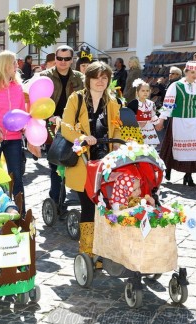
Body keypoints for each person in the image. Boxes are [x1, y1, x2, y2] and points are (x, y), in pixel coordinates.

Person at [61, 61, 122, 258]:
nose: (100, 81)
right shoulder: (76, 99)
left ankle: (104, 247)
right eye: (96, 77)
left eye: (104, 78)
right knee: (88, 205)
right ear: (88, 79)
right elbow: (65, 127)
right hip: (83, 161)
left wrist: (119, 145)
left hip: (106, 162)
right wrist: (82, 138)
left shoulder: (112, 102)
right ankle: (87, 250)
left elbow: (117, 126)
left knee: (105, 204)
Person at [40, 45, 84, 211]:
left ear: (72, 60)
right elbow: (37, 101)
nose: (63, 62)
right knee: (55, 164)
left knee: (75, 162)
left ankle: (79, 198)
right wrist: (47, 117)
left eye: (67, 59)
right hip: (52, 126)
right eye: (60, 58)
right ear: (55, 58)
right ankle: (57, 200)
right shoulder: (45, 77)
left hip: (74, 127)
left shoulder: (80, 78)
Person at [158, 61, 196, 186]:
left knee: (192, 150)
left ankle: (188, 176)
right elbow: (168, 104)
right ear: (186, 72)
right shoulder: (176, 85)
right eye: (192, 72)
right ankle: (168, 168)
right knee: (172, 146)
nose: (195, 75)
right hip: (177, 121)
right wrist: (162, 119)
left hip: (193, 122)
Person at [0, 50, 26, 213]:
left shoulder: (18, 85)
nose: (16, 66)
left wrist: (24, 125)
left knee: (17, 176)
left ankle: (20, 212)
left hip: (14, 137)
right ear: (4, 65)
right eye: (13, 63)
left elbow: (21, 109)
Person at [126, 78, 161, 148]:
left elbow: (153, 115)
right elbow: (128, 118)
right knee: (138, 148)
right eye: (143, 91)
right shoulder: (134, 104)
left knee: (149, 148)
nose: (145, 92)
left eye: (147, 91)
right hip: (138, 130)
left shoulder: (151, 103)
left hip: (149, 129)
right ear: (137, 92)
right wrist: (138, 123)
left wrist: (158, 123)